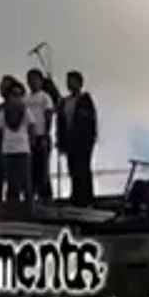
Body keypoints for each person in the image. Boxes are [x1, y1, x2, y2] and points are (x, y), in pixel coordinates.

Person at [60, 70, 99, 207]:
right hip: (69, 141)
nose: (70, 84)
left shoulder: (85, 100)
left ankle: (86, 199)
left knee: (83, 169)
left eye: (73, 81)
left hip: (83, 141)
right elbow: (61, 122)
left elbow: (90, 121)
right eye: (68, 81)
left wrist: (91, 139)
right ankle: (75, 197)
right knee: (73, 170)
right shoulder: (65, 102)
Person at [0, 80, 34, 213]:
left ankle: (29, 211)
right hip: (8, 151)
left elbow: (32, 129)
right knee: (11, 183)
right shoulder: (3, 113)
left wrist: (30, 145)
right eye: (14, 94)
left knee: (26, 182)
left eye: (20, 94)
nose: (17, 97)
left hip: (23, 150)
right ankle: (13, 211)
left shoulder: (26, 111)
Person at [25, 69, 56, 202]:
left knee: (43, 169)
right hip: (28, 138)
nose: (32, 82)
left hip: (41, 135)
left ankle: (46, 196)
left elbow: (48, 116)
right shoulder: (25, 99)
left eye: (35, 79)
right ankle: (32, 196)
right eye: (30, 79)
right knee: (31, 169)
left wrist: (45, 134)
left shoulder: (45, 97)